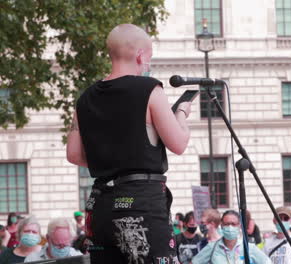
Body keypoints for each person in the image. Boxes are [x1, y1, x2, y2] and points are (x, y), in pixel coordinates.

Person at [66, 24, 192, 264]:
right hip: (141, 202)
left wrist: (110, 156)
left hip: (100, 205)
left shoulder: (85, 98)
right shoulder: (149, 89)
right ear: (141, 55)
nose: (148, 64)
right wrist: (182, 113)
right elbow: (179, 143)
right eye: (149, 58)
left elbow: (73, 154)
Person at [192, 210, 271, 264]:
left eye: (233, 224)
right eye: (226, 224)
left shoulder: (248, 247)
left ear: (239, 225)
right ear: (222, 225)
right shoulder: (212, 247)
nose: (230, 227)